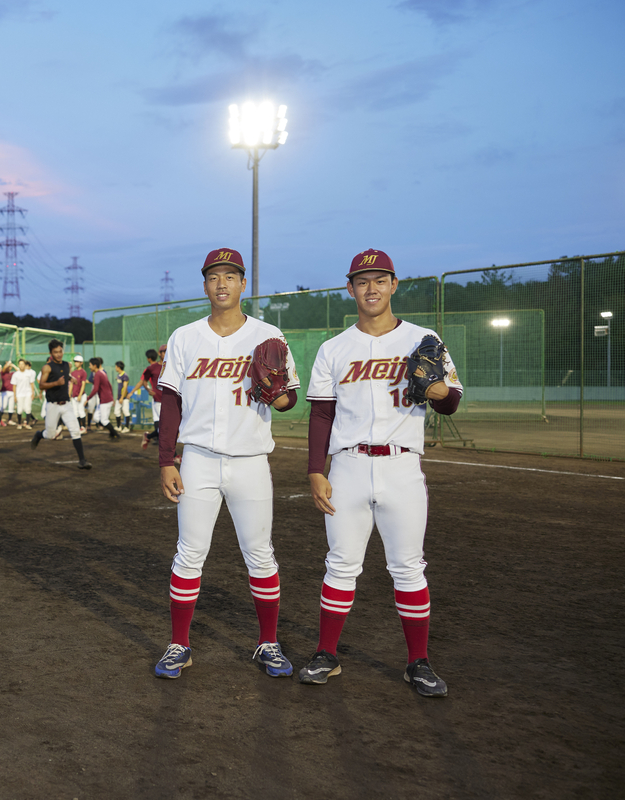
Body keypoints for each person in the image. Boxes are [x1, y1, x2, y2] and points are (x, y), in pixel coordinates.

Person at [299, 249, 463, 698]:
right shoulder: (334, 349)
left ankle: (418, 663)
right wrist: (316, 469)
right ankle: (326, 654)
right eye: (362, 281)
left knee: (408, 568)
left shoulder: (422, 338)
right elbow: (320, 415)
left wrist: (438, 389)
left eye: (379, 280)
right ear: (350, 289)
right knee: (340, 564)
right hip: (348, 466)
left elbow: (451, 402)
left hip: (401, 465)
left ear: (394, 285)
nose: (371, 288)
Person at [152, 247, 300, 680]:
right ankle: (180, 644)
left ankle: (268, 643)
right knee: (189, 553)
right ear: (204, 285)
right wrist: (167, 459)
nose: (222, 283)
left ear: (243, 283)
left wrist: (275, 391)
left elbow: (289, 398)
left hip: (251, 459)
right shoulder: (185, 337)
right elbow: (172, 401)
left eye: (230, 276)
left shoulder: (268, 333)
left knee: (260, 554)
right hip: (197, 459)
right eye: (214, 276)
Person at [29, 339, 92, 470]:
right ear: (50, 353)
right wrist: (56, 384)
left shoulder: (67, 365)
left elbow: (64, 374)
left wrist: (70, 378)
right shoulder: (47, 367)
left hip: (67, 404)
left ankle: (82, 461)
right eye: (55, 352)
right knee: (51, 435)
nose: (58, 354)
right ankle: (39, 435)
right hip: (52, 405)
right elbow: (41, 385)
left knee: (75, 431)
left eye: (60, 351)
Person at [131, 347, 165, 449]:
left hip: (166, 398)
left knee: (160, 421)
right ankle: (173, 454)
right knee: (162, 423)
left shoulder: (169, 366)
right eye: (164, 352)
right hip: (157, 398)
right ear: (159, 354)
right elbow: (143, 381)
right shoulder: (151, 368)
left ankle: (150, 436)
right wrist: (148, 390)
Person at [87, 358, 121, 439]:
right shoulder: (101, 372)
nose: (89, 367)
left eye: (90, 365)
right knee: (96, 418)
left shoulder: (98, 374)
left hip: (105, 400)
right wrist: (112, 397)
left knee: (104, 420)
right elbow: (110, 385)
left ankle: (115, 434)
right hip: (106, 399)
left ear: (95, 366)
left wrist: (88, 398)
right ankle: (112, 433)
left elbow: (95, 389)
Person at [12, 358, 38, 429]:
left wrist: (32, 393)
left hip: (28, 394)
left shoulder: (29, 373)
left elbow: (32, 383)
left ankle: (27, 423)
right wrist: (14, 396)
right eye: (20, 364)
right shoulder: (16, 374)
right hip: (19, 394)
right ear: (18, 365)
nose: (21, 366)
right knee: (19, 409)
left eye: (22, 364)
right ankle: (19, 424)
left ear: (25, 365)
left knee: (28, 409)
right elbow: (14, 385)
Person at [70, 354, 88, 433]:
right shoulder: (73, 373)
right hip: (74, 395)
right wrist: (69, 394)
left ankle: (83, 427)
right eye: (75, 361)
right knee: (75, 412)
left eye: (78, 362)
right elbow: (71, 384)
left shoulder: (83, 372)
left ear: (81, 363)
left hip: (81, 395)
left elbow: (83, 384)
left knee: (81, 411)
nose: (76, 363)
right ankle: (78, 427)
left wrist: (80, 395)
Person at [113, 361, 131, 430]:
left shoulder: (125, 376)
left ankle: (127, 427)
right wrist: (118, 396)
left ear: (119, 367)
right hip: (119, 397)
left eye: (116, 367)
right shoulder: (118, 376)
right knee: (116, 411)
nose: (115, 368)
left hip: (124, 397)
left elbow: (125, 387)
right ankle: (118, 427)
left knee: (125, 411)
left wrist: (122, 397)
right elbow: (119, 387)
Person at [0, 361, 15, 426]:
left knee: (11, 407)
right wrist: (7, 364)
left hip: (12, 392)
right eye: (8, 366)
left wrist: (13, 365)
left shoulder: (13, 373)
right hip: (4, 392)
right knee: (3, 406)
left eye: (10, 367)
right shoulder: (3, 373)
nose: (9, 367)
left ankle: (10, 420)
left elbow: (19, 371)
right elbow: (4, 369)